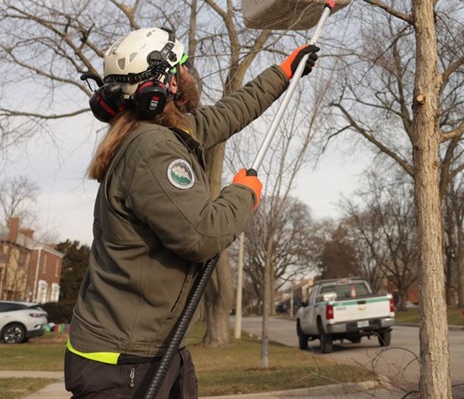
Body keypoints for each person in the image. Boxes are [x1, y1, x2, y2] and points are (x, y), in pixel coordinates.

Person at [65, 27, 318, 399]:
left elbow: (227, 114)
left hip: (148, 350)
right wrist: (243, 194)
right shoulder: (153, 150)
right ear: (164, 83)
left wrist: (283, 73)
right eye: (182, 66)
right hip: (125, 364)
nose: (189, 74)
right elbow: (201, 235)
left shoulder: (156, 133)